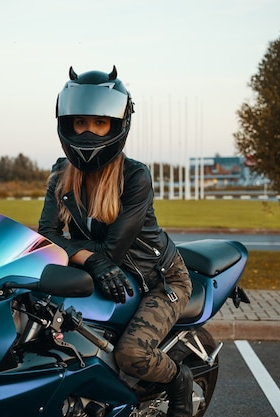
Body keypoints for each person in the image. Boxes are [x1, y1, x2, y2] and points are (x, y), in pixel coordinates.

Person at [38, 66, 194, 417]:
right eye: (80, 123)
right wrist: (90, 260)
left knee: (132, 355)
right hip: (104, 274)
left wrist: (84, 255)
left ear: (117, 124)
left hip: (159, 279)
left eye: (99, 123)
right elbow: (45, 235)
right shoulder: (60, 173)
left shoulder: (135, 176)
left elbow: (112, 251)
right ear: (66, 123)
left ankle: (178, 379)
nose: (89, 131)